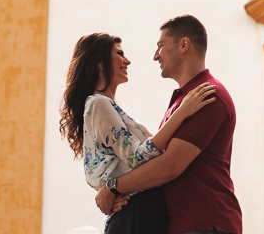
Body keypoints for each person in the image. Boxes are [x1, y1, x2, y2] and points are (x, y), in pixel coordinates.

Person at [94, 15, 243, 234]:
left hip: (206, 224)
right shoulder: (183, 101)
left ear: (184, 45)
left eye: (160, 46)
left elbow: (170, 165)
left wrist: (113, 187)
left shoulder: (207, 94)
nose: (155, 56)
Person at [60, 32, 217, 234]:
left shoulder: (108, 107)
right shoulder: (98, 104)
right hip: (136, 213)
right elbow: (137, 156)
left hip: (141, 211)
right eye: (119, 53)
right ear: (99, 63)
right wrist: (181, 113)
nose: (127, 61)